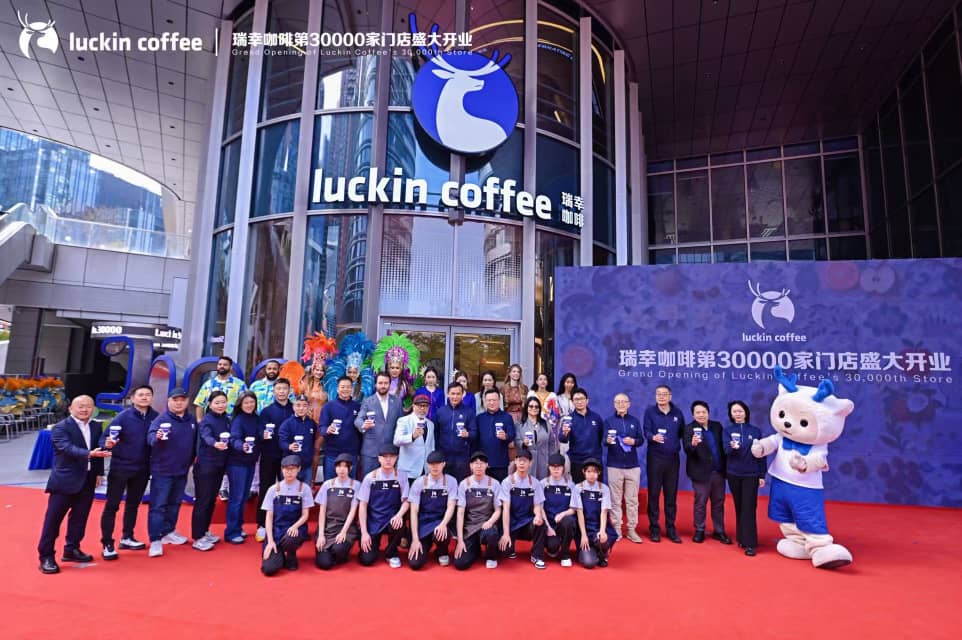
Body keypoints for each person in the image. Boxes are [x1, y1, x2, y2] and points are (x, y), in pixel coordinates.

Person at [37, 395, 110, 574]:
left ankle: (72, 549)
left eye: (88, 406)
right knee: (53, 521)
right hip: (64, 481)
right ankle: (46, 556)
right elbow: (66, 448)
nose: (84, 409)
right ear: (71, 408)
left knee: (79, 518)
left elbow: (99, 451)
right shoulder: (61, 427)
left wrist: (99, 472)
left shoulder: (95, 426)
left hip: (87, 480)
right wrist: (89, 454)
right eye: (80, 406)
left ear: (93, 409)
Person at [99, 385, 156, 559]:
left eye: (148, 394)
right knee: (112, 506)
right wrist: (107, 444)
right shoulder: (122, 417)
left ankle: (128, 536)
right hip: (121, 467)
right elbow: (104, 438)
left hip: (142, 468)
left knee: (133, 505)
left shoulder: (156, 417)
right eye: (141, 395)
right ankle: (107, 543)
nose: (144, 397)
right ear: (132, 398)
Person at [147, 388, 197, 558]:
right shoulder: (161, 419)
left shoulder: (191, 420)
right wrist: (157, 437)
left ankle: (168, 531)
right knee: (158, 506)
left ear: (187, 401)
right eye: (175, 400)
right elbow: (151, 437)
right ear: (169, 401)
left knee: (175, 503)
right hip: (162, 470)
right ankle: (155, 540)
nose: (179, 403)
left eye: (182, 400)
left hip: (182, 470)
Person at [683, 400, 731, 545]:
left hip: (718, 472)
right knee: (700, 503)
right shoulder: (688, 429)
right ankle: (699, 530)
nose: (701, 415)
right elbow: (687, 450)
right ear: (693, 415)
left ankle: (719, 531)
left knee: (718, 503)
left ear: (708, 413)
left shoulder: (717, 426)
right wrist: (693, 444)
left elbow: (723, 447)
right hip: (700, 473)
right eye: (698, 412)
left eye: (704, 412)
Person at [643, 384, 685, 543]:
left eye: (664, 394)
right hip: (655, 458)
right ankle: (654, 528)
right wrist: (653, 437)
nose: (661, 397)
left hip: (673, 459)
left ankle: (671, 528)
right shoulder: (650, 412)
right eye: (658, 394)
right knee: (653, 494)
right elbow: (646, 431)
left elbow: (682, 433)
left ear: (670, 396)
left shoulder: (677, 413)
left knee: (671, 495)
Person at [724, 400, 767, 557]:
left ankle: (750, 544)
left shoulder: (755, 431)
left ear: (746, 412)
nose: (738, 414)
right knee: (739, 506)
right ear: (731, 414)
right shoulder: (727, 431)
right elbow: (725, 450)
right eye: (734, 411)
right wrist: (732, 448)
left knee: (749, 507)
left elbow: (761, 454)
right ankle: (741, 537)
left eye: (740, 411)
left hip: (751, 474)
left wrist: (761, 474)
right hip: (733, 474)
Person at [260, 455, 314, 576]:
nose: (289, 472)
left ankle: (291, 554)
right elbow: (269, 517)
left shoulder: (304, 488)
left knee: (291, 537)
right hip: (277, 530)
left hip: (295, 529)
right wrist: (270, 541)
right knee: (269, 569)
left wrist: (295, 526)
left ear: (298, 469)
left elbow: (305, 515)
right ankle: (279, 554)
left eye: (292, 469)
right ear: (282, 469)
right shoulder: (273, 489)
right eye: (286, 469)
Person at [357, 448, 409, 568]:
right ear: (379, 459)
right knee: (366, 560)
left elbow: (406, 501)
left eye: (392, 457)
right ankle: (374, 544)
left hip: (392, 519)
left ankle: (391, 552)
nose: (388, 460)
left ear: (396, 458)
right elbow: (363, 505)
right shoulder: (370, 477)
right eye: (385, 457)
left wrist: (399, 515)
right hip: (374, 521)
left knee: (399, 523)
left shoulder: (401, 476)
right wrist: (364, 533)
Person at [256, 377, 294, 542]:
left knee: (288, 490)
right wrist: (262, 435)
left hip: (289, 456)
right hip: (270, 454)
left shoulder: (294, 409)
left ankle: (287, 524)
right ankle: (262, 524)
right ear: (274, 391)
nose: (281, 392)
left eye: (284, 389)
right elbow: (259, 432)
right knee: (266, 489)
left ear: (289, 391)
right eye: (278, 389)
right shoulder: (267, 411)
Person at [191, 390, 230, 552]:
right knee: (203, 500)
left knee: (211, 500)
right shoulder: (206, 420)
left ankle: (205, 530)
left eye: (223, 402)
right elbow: (206, 436)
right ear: (210, 404)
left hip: (219, 466)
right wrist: (215, 443)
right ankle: (197, 537)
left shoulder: (226, 419)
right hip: (205, 466)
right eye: (217, 403)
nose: (220, 405)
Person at [407, 450, 458, 570]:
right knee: (415, 564)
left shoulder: (451, 481)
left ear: (443, 464)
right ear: (427, 465)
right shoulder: (419, 482)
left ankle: (442, 551)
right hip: (423, 523)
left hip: (440, 521)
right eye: (431, 464)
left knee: (442, 533)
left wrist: (443, 524)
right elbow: (413, 512)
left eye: (438, 463)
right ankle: (426, 543)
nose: (435, 467)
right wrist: (415, 539)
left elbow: (451, 506)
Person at [498, 449, 548, 569]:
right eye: (519, 460)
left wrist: (538, 516)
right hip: (511, 523)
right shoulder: (507, 482)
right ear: (515, 462)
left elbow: (537, 505)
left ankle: (537, 556)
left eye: (524, 461)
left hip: (526, 522)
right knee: (503, 552)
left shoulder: (535, 483)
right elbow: (505, 509)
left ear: (530, 463)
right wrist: (505, 534)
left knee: (541, 524)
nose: (521, 463)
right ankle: (510, 547)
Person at [605, 393, 644, 543]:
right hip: (614, 465)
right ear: (614, 404)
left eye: (623, 402)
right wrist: (608, 441)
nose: (621, 404)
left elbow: (641, 440)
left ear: (629, 404)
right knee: (615, 499)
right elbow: (603, 441)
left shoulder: (634, 421)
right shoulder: (608, 421)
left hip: (632, 466)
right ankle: (616, 528)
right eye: (618, 402)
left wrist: (633, 441)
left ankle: (632, 529)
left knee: (632, 500)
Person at [454, 451, 503, 570]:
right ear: (471, 466)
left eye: (482, 463)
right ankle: (475, 548)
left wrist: (490, 522)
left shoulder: (495, 484)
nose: (479, 466)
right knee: (460, 564)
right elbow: (460, 513)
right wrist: (460, 540)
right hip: (470, 527)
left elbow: (498, 510)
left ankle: (491, 556)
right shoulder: (464, 484)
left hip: (487, 525)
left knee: (491, 535)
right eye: (475, 463)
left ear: (487, 465)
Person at [225, 391, 261, 543]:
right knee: (236, 498)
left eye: (252, 402)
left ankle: (238, 527)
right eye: (246, 402)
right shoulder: (238, 420)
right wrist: (242, 446)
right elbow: (234, 439)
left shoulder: (256, 418)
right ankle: (231, 531)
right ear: (240, 404)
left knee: (244, 497)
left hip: (250, 462)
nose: (249, 405)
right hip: (237, 463)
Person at [314, 453, 361, 570]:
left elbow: (353, 511)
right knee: (324, 564)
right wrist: (321, 535)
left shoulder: (356, 485)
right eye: (339, 466)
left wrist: (343, 532)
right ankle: (327, 553)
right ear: (335, 468)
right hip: (328, 526)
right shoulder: (327, 485)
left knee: (338, 549)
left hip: (346, 526)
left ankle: (341, 554)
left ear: (350, 468)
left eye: (345, 466)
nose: (342, 469)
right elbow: (322, 511)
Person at [354, 372, 403, 478]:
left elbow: (401, 423)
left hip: (390, 451)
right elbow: (358, 420)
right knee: (369, 482)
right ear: (375, 384)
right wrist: (363, 425)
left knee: (388, 483)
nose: (383, 386)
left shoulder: (397, 401)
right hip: (371, 451)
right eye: (380, 383)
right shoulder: (368, 401)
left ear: (389, 384)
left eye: (386, 383)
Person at [572, 458, 618, 569]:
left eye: (594, 472)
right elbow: (579, 512)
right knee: (589, 563)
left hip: (598, 526)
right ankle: (591, 552)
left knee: (604, 539)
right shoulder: (578, 488)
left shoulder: (604, 489)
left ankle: (602, 554)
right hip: (584, 528)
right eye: (589, 471)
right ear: (584, 472)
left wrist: (602, 531)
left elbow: (604, 512)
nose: (591, 475)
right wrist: (583, 535)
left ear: (599, 473)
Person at [319, 376, 362, 481]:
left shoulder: (358, 407)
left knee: (351, 485)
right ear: (337, 389)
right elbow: (321, 427)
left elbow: (361, 431)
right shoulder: (328, 406)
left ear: (352, 389)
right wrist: (327, 429)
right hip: (332, 453)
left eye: (348, 387)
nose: (345, 389)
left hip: (351, 454)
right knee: (330, 484)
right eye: (342, 387)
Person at [558, 388, 604, 483]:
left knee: (597, 490)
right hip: (577, 462)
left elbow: (602, 437)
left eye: (582, 399)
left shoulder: (596, 417)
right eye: (576, 399)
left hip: (595, 461)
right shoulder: (568, 419)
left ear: (587, 400)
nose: (579, 402)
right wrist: (565, 433)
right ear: (572, 402)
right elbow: (562, 439)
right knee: (579, 489)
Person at [434, 382, 477, 481]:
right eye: (452, 393)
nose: (455, 396)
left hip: (462, 457)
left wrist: (468, 434)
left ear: (462, 395)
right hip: (444, 456)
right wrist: (438, 451)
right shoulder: (440, 412)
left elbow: (474, 433)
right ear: (448, 394)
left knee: (461, 485)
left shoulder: (469, 412)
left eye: (458, 394)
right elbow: (436, 433)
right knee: (444, 485)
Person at [541, 453, 577, 568]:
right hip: (549, 523)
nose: (556, 469)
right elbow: (539, 508)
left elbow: (573, 509)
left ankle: (565, 554)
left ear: (563, 468)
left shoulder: (571, 485)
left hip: (563, 522)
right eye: (553, 466)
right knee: (552, 547)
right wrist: (548, 527)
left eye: (559, 467)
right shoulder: (542, 484)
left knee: (569, 521)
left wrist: (563, 514)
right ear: (549, 467)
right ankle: (553, 545)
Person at [475, 388, 516, 481]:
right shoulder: (479, 418)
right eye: (489, 400)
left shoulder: (507, 417)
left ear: (499, 401)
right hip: (482, 463)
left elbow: (512, 435)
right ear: (484, 402)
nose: (492, 403)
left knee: (499, 488)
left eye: (494, 400)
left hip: (500, 462)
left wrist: (505, 436)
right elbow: (475, 440)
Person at [393, 393, 435, 482]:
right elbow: (396, 441)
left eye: (425, 406)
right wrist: (412, 436)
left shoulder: (430, 424)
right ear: (413, 406)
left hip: (425, 471)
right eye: (420, 406)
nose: (422, 408)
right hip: (408, 471)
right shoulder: (404, 420)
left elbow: (431, 447)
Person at [515, 396, 558, 480]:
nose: (534, 408)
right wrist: (523, 443)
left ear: (539, 409)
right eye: (531, 406)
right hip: (527, 461)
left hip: (544, 460)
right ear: (526, 408)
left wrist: (551, 459)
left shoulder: (546, 424)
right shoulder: (519, 425)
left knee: (542, 484)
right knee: (528, 483)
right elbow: (516, 441)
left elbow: (552, 442)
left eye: (536, 406)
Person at [193, 355, 247, 422]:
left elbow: (245, 403)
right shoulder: (208, 384)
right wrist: (199, 421)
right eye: (220, 364)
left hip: (232, 423)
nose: (222, 366)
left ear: (230, 368)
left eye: (225, 365)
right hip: (211, 422)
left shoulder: (240, 385)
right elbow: (200, 404)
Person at [278, 395, 317, 483]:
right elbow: (281, 442)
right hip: (290, 467)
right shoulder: (287, 424)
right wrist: (289, 446)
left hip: (307, 466)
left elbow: (313, 441)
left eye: (304, 405)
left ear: (308, 407)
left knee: (306, 490)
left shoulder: (311, 423)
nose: (301, 408)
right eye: (298, 405)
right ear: (293, 407)